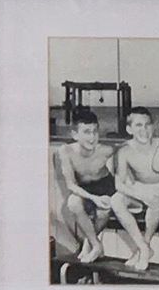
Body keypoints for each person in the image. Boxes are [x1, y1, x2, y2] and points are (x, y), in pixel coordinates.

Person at [110, 108, 159, 273]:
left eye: (147, 125)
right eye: (138, 125)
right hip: (140, 187)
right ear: (129, 129)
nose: (144, 129)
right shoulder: (124, 150)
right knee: (116, 200)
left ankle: (144, 246)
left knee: (156, 201)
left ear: (153, 127)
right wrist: (140, 194)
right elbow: (119, 184)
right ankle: (143, 247)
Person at [51, 111, 120, 269]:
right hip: (84, 189)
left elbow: (129, 150)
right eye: (87, 132)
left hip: (105, 185)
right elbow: (71, 185)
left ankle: (88, 244)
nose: (92, 137)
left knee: (103, 211)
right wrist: (93, 198)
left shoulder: (106, 150)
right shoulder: (65, 151)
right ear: (75, 135)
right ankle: (96, 245)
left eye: (95, 131)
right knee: (73, 202)